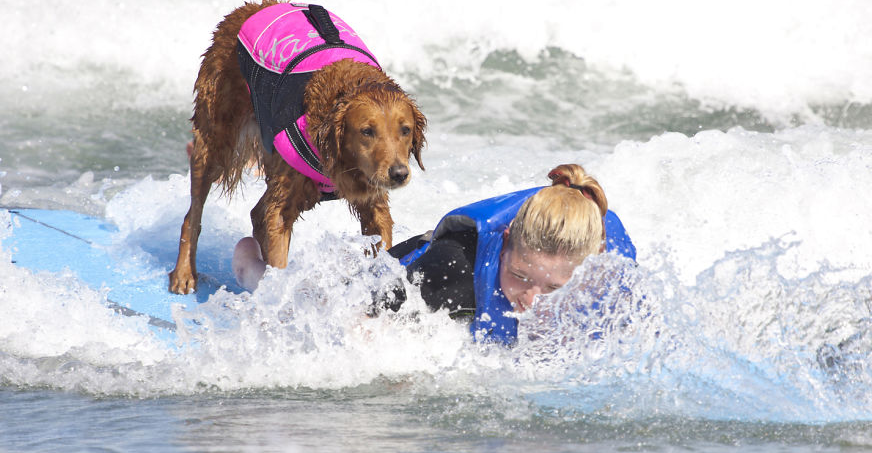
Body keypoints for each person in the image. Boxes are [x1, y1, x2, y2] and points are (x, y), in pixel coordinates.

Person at [232, 164, 636, 344]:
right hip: (417, 266)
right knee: (319, 310)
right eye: (522, 277)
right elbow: (353, 326)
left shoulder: (609, 266)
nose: (530, 301)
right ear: (508, 239)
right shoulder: (452, 269)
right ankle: (255, 273)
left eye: (552, 288)